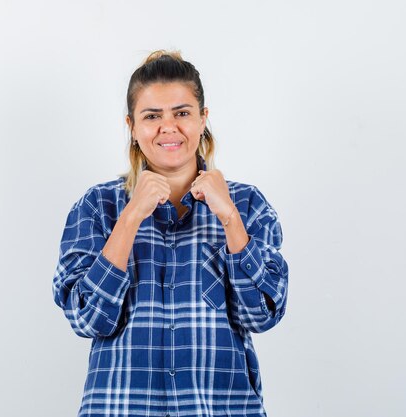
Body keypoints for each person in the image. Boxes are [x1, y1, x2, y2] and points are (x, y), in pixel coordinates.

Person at [51, 50, 289, 417]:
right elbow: (87, 318)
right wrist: (131, 216)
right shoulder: (98, 207)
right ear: (131, 126)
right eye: (152, 116)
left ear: (202, 119)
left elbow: (262, 315)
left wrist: (228, 218)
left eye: (182, 113)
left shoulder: (247, 204)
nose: (168, 127)